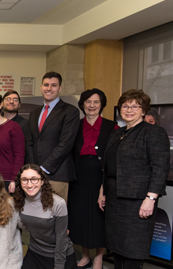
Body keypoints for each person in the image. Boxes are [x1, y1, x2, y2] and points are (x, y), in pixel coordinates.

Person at [100, 89, 169, 268]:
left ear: (144, 110)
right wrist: (103, 191)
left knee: (133, 250)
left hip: (138, 201)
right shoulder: (117, 133)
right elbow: (108, 167)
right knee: (117, 248)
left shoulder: (153, 132)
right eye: (125, 106)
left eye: (135, 106)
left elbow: (160, 168)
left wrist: (151, 199)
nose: (129, 110)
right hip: (115, 199)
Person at [67, 89, 118, 269]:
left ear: (101, 105)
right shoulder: (75, 125)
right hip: (79, 177)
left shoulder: (112, 127)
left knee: (99, 217)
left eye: (96, 102)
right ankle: (86, 255)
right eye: (88, 102)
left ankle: (99, 257)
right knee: (80, 216)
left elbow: (115, 156)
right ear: (82, 104)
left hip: (101, 177)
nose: (92, 106)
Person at [27, 71, 80, 201]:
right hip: (34, 177)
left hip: (57, 174)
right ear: (41, 87)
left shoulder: (70, 111)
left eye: (54, 85)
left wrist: (44, 169)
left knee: (55, 216)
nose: (49, 88)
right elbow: (30, 142)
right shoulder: (34, 113)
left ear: (60, 88)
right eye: (46, 85)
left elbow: (66, 144)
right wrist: (33, 170)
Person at [13, 164, 75, 269]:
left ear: (42, 181)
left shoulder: (58, 203)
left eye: (34, 179)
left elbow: (61, 239)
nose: (29, 184)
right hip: (34, 252)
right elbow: (23, 224)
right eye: (24, 180)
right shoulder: (19, 201)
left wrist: (59, 266)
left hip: (58, 255)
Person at [1, 90, 32, 161]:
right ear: (2, 103)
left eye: (15, 100)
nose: (11, 102)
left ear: (19, 105)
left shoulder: (25, 124)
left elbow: (27, 150)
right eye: (8, 99)